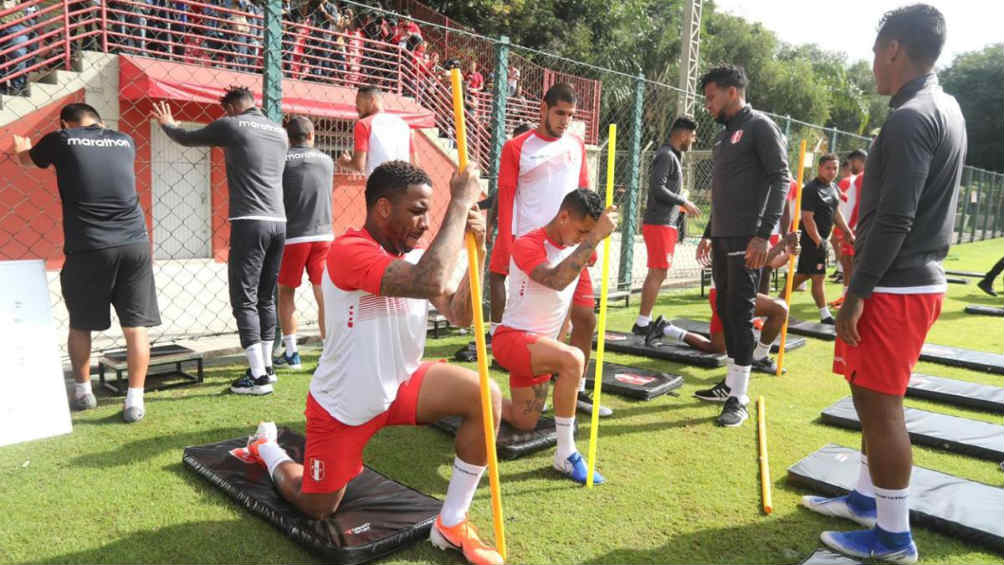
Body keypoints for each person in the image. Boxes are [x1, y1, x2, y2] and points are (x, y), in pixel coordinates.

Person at [238, 161, 504, 565]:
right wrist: (461, 199)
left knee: (485, 396)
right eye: (416, 211)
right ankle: (267, 449)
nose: (425, 222)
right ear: (383, 209)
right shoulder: (349, 251)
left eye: (429, 212)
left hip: (402, 385)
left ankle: (451, 522)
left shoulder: (417, 257)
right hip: (345, 405)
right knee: (316, 506)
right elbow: (431, 281)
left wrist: (478, 251)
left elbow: (461, 314)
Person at [802, 6, 966, 563]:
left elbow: (897, 217)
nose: (873, 63)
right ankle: (867, 501)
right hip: (906, 280)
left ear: (894, 49)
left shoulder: (912, 115)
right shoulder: (944, 106)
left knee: (882, 404)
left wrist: (859, 290)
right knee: (867, 396)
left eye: (876, 51)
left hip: (896, 284)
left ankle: (894, 536)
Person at [11, 103, 160, 423]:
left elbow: (27, 161)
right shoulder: (124, 140)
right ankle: (135, 401)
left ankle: (83, 392)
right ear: (100, 121)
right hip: (135, 243)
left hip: (89, 246)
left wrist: (20, 148)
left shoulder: (60, 139)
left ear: (66, 124)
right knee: (136, 326)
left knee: (81, 322)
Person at [152, 86, 289, 396]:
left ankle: (258, 378)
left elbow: (187, 138)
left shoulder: (231, 125)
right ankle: (266, 367)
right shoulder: (279, 132)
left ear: (229, 109)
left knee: (244, 298)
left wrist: (168, 125)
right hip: (279, 222)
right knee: (266, 296)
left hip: (248, 221)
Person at [488, 83, 611, 417]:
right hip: (535, 249)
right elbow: (508, 197)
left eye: (570, 116)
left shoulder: (575, 145)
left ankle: (577, 390)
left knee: (586, 319)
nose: (564, 121)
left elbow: (585, 188)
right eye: (559, 113)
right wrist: (506, 247)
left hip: (572, 246)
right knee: (537, 325)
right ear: (543, 109)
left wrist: (591, 241)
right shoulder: (517, 147)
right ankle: (507, 361)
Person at [493, 189, 615, 484]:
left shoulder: (580, 247)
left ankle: (478, 397)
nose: (583, 236)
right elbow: (556, 280)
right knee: (573, 359)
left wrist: (591, 237)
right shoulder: (527, 243)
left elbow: (570, 302)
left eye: (588, 231)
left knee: (525, 421)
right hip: (512, 340)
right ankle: (566, 454)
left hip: (539, 349)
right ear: (563, 216)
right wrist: (593, 238)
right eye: (581, 229)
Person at [692, 64, 790, 428]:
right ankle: (731, 383)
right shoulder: (723, 136)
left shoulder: (759, 126)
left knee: (742, 310)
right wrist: (709, 231)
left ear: (733, 92)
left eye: (712, 97)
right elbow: (723, 192)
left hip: (748, 238)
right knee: (729, 312)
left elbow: (782, 178)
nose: (708, 105)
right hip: (722, 237)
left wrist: (763, 235)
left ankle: (740, 397)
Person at [668, 232, 800, 380]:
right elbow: (756, 261)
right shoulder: (736, 231)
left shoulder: (756, 231)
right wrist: (783, 243)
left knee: (717, 348)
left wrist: (788, 253)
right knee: (780, 308)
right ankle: (759, 357)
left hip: (731, 292)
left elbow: (773, 262)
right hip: (727, 293)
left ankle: (667, 329)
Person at [274, 117, 334, 370]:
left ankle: (292, 354)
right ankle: (330, 351)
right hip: (323, 235)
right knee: (324, 295)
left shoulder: (282, 161)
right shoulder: (327, 161)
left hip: (293, 236)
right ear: (311, 135)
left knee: (286, 292)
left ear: (289, 137)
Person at [632, 116, 700, 338]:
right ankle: (642, 322)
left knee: (659, 272)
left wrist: (680, 202)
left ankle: (645, 320)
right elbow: (657, 188)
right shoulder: (666, 155)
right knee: (658, 272)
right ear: (682, 134)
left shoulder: (673, 156)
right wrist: (683, 201)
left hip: (665, 222)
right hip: (659, 223)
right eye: (692, 134)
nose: (694, 139)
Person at [789, 153, 854, 324]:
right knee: (818, 276)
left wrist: (847, 231)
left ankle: (779, 303)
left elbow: (836, 212)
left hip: (822, 240)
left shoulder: (833, 187)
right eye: (828, 168)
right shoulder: (811, 189)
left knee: (804, 275)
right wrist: (819, 241)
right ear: (820, 168)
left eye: (835, 168)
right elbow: (807, 218)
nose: (832, 172)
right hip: (811, 241)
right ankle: (825, 315)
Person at [337, 85, 415, 177]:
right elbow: (414, 164)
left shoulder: (364, 124)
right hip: (405, 183)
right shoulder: (403, 124)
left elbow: (358, 166)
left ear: (372, 100)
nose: (356, 108)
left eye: (358, 102)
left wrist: (344, 163)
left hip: (380, 184)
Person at [831, 149, 868, 305]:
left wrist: (849, 228)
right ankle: (846, 296)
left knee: (851, 265)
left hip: (854, 228)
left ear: (859, 161)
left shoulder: (862, 178)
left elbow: (858, 204)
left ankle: (852, 301)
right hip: (851, 226)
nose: (850, 165)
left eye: (852, 162)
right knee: (847, 265)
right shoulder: (856, 179)